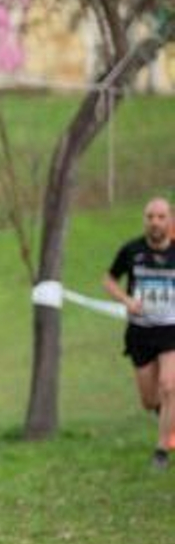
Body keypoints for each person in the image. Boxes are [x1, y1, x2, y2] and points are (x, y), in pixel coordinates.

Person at [102, 196, 175, 470]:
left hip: (170, 329)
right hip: (140, 332)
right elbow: (108, 279)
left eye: (161, 217)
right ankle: (166, 416)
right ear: (145, 220)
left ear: (170, 220)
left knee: (169, 385)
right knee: (149, 400)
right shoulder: (132, 250)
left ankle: (162, 450)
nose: (155, 222)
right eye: (150, 217)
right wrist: (126, 300)